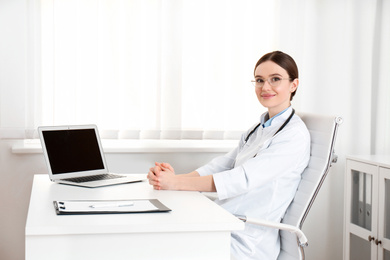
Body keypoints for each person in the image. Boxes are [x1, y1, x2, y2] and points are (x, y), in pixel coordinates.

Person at [147, 51, 310, 260]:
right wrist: (172, 179)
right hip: (226, 222)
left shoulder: (294, 136)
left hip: (248, 240)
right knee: (159, 237)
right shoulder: (260, 128)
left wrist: (175, 184)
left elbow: (241, 179)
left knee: (159, 246)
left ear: (294, 85)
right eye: (259, 80)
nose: (265, 87)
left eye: (275, 79)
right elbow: (224, 165)